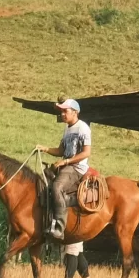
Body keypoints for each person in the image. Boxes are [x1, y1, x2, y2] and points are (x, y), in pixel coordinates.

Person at [37, 98, 93, 242]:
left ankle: (59, 228)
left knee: (56, 187)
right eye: (61, 111)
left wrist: (66, 161)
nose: (62, 114)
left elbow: (86, 153)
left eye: (65, 111)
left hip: (76, 168)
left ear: (75, 112)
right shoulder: (67, 129)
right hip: (66, 165)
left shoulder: (83, 128)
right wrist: (45, 149)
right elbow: (61, 150)